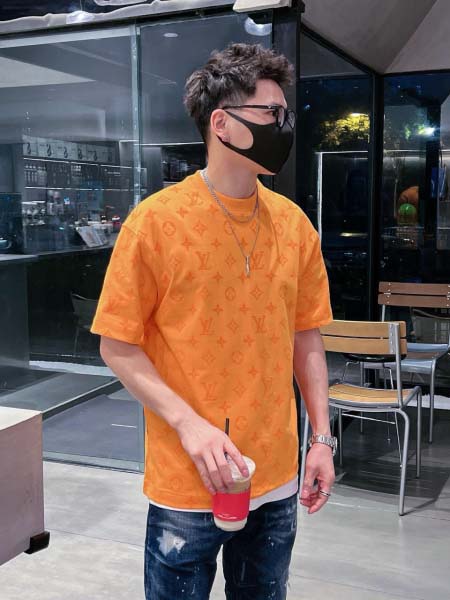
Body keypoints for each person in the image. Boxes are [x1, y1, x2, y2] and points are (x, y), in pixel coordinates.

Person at [92, 42, 336, 600]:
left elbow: (306, 336)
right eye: (270, 113)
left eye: (286, 114)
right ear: (221, 123)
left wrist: (321, 438)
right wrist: (189, 424)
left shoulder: (294, 225)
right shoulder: (154, 223)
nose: (283, 126)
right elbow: (117, 344)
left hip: (275, 475)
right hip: (187, 476)